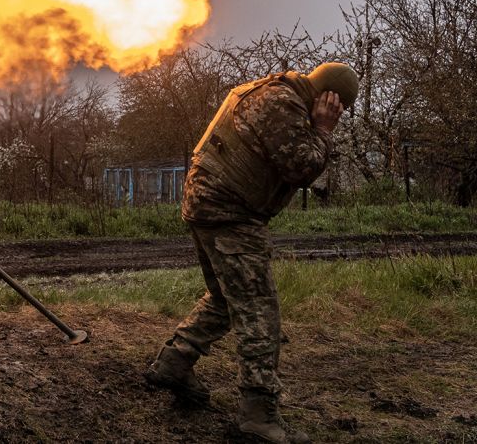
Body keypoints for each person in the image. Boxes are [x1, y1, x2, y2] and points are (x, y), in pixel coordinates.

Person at [145, 61, 358, 444]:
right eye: (338, 108)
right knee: (259, 310)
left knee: (228, 298)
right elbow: (303, 168)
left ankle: (174, 363)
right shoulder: (282, 104)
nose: (336, 115)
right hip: (229, 211)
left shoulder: (271, 90)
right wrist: (324, 130)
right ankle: (258, 416)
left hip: (210, 203)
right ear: (330, 99)